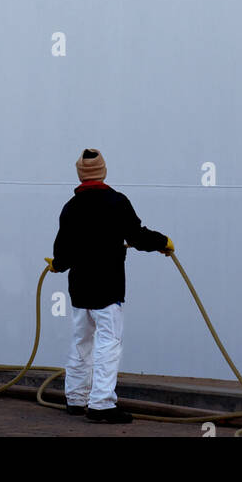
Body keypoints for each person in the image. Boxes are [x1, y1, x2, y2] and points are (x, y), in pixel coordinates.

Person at [49, 148, 173, 424]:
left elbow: (62, 252)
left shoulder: (71, 208)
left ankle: (76, 398)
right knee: (108, 342)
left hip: (80, 288)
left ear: (80, 174)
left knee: (81, 341)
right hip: (108, 287)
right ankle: (102, 404)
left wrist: (57, 264)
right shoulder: (116, 202)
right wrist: (162, 242)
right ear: (103, 171)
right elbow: (138, 236)